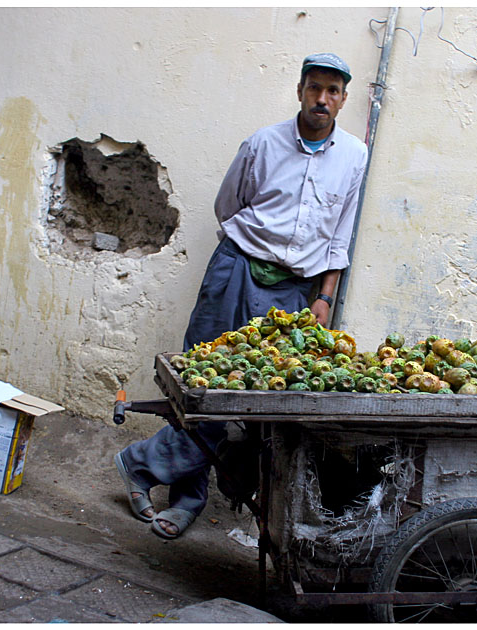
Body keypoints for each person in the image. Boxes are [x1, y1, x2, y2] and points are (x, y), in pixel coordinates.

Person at [114, 53, 368, 539]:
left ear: (342, 100)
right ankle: (188, 498)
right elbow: (228, 207)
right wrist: (251, 251)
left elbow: (341, 234)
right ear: (300, 90)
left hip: (296, 290)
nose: (322, 98)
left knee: (256, 402)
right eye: (314, 88)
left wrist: (325, 297)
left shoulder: (354, 157)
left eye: (332, 91)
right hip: (237, 269)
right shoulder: (262, 144)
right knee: (203, 387)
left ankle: (140, 461)